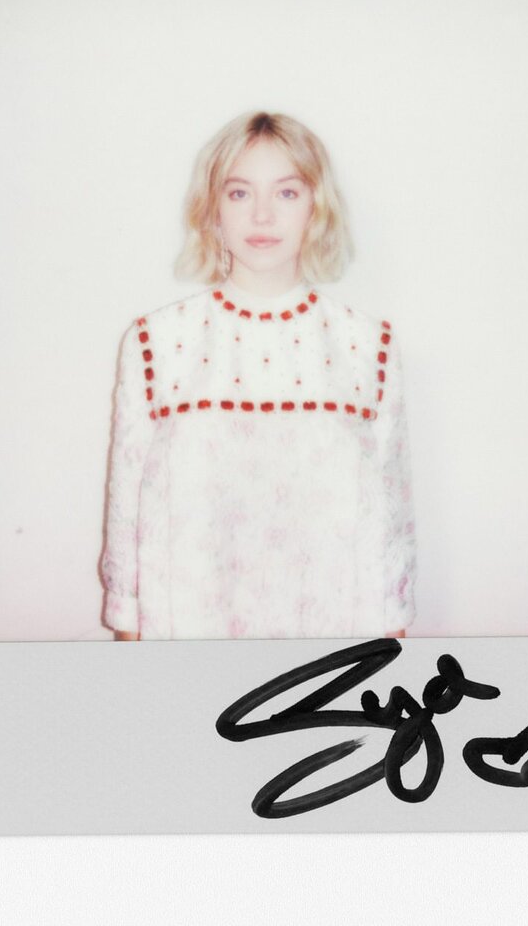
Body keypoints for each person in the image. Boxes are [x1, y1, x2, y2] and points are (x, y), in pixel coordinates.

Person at [100, 111, 417, 641]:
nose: (262, 215)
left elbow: (394, 530)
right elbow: (125, 517)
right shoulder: (155, 343)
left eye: (286, 193)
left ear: (317, 206)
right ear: (213, 209)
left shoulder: (368, 346)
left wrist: (390, 646)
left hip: (333, 650)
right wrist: (132, 645)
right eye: (240, 193)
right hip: (189, 647)